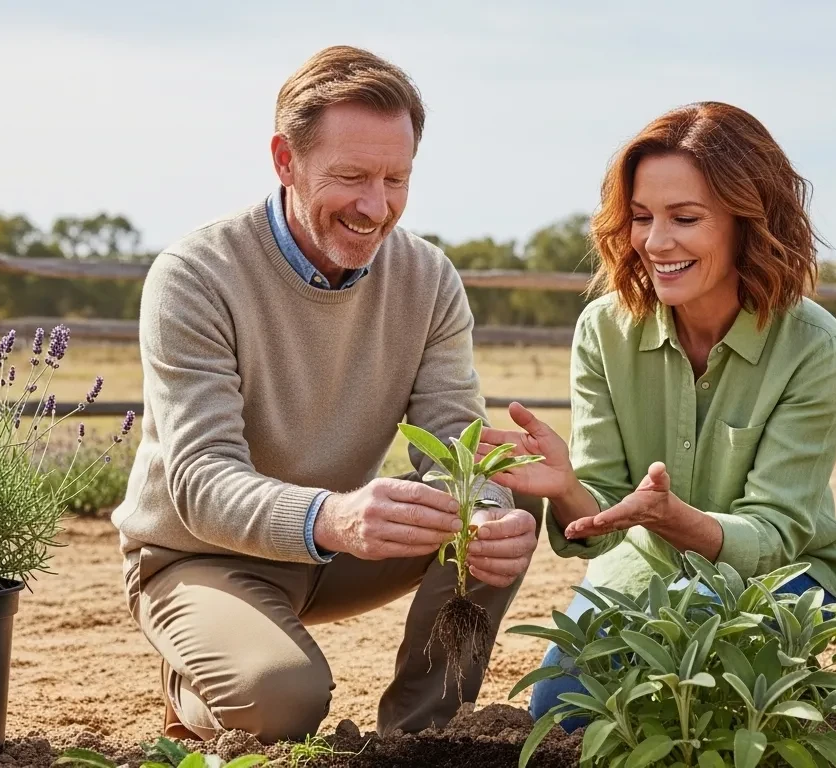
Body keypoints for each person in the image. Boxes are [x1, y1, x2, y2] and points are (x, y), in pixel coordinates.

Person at [111, 45, 542, 744]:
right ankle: (196, 678)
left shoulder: (426, 279)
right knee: (283, 700)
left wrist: (488, 512)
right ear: (285, 160)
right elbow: (196, 480)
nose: (376, 207)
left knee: (501, 487)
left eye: (396, 179)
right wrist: (334, 518)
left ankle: (421, 737)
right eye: (351, 177)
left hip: (337, 547)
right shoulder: (196, 275)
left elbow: (459, 443)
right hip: (198, 554)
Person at [477, 101, 836, 731]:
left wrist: (681, 521)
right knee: (562, 710)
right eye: (641, 218)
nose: (656, 243)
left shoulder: (816, 348)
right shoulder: (604, 330)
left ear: (749, 223)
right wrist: (570, 489)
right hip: (646, 564)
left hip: (782, 578)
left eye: (685, 218)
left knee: (707, 688)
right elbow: (600, 515)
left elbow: (777, 533)